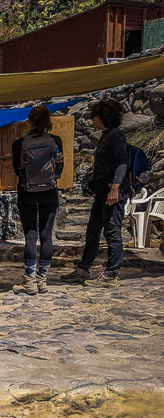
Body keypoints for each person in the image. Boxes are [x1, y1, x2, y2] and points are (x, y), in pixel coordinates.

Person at [61, 99, 128, 288]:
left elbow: (122, 162)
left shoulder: (116, 136)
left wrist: (115, 187)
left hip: (113, 191)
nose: (92, 120)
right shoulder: (106, 136)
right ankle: (83, 269)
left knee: (112, 230)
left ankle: (111, 274)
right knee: (93, 230)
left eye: (94, 116)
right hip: (102, 192)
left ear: (102, 117)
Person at [11, 105, 64, 295]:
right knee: (46, 235)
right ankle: (42, 280)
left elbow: (17, 170)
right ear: (48, 123)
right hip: (49, 192)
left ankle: (29, 281)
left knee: (31, 236)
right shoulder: (55, 141)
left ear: (30, 121)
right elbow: (60, 168)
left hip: (27, 192)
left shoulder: (19, 143)